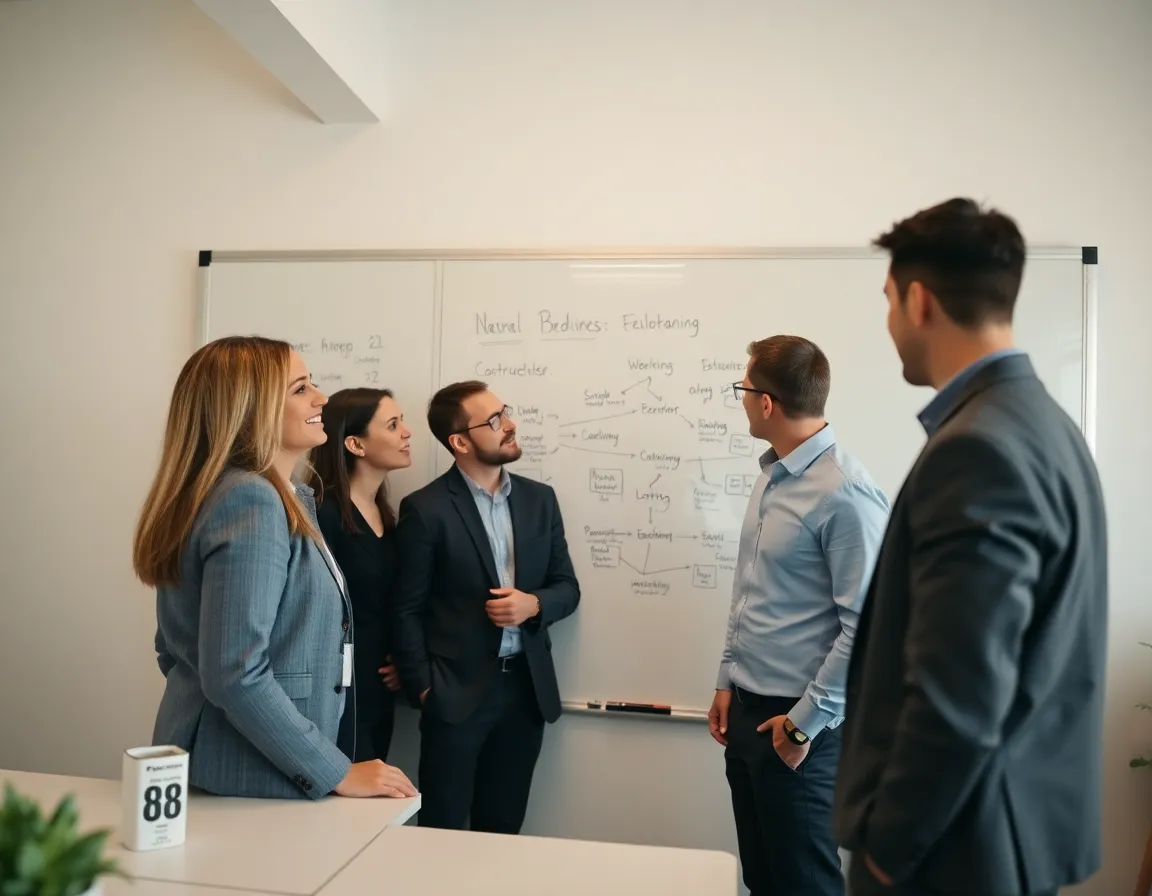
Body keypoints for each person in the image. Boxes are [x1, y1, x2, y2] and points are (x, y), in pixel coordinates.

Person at [834, 198, 1108, 896]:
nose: (889, 323)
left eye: (889, 301)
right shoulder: (1046, 425)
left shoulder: (977, 449)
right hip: (998, 837)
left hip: (949, 854)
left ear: (919, 301)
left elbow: (960, 695)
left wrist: (887, 852)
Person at [132, 336, 417, 801]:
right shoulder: (252, 499)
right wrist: (334, 771)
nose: (321, 398)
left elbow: (175, 650)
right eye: (301, 388)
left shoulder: (258, 495)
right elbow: (233, 672)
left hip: (236, 763)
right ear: (251, 409)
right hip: (246, 774)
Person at [709, 335, 890, 896]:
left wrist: (800, 724)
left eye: (742, 389)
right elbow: (750, 591)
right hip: (746, 713)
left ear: (766, 403)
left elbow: (867, 628)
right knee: (764, 879)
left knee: (804, 885)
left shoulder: (845, 492)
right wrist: (725, 680)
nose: (740, 400)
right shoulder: (773, 474)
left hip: (800, 730)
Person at [393, 380, 580, 833]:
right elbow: (406, 609)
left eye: (506, 413)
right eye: (494, 420)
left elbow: (567, 588)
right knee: (443, 828)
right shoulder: (425, 509)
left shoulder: (540, 500)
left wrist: (532, 604)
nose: (510, 425)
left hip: (525, 692)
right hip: (454, 695)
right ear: (459, 442)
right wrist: (423, 688)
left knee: (504, 829)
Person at [307, 388, 412, 763]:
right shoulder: (322, 513)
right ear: (355, 444)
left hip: (380, 689)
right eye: (393, 424)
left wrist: (404, 662)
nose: (407, 432)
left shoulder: (388, 515)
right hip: (336, 695)